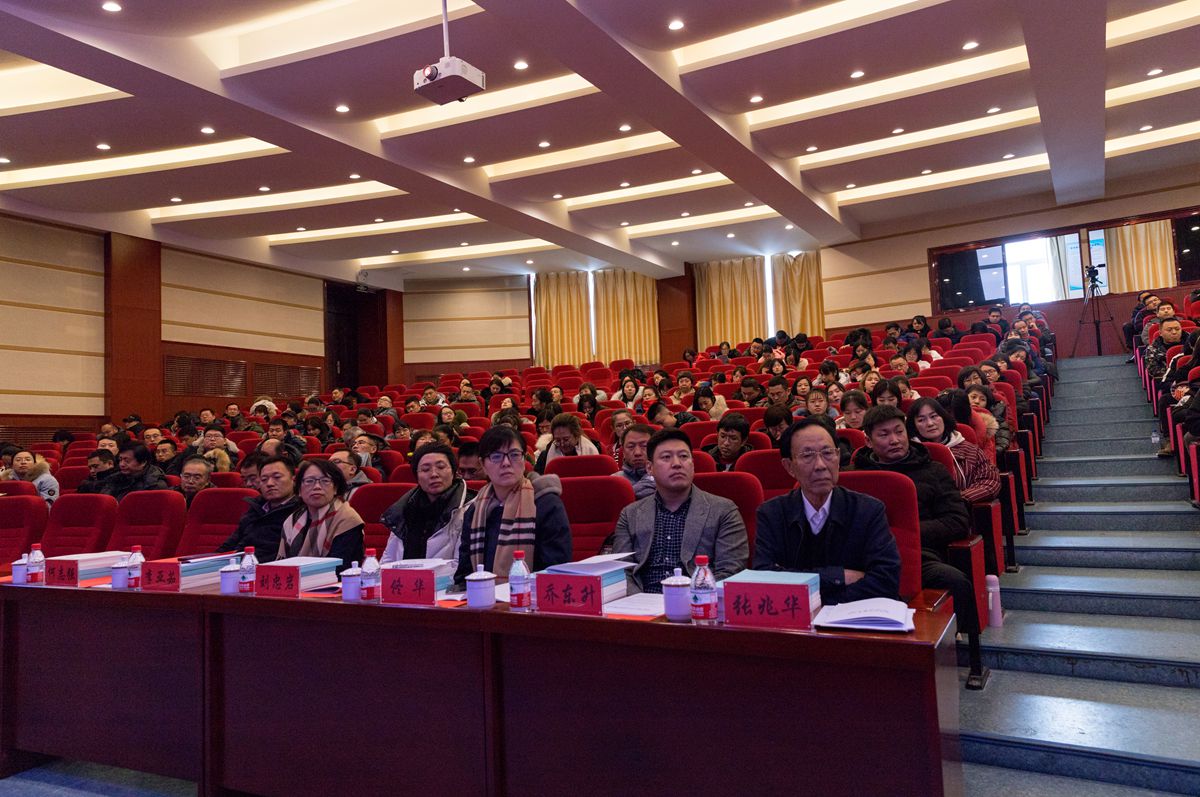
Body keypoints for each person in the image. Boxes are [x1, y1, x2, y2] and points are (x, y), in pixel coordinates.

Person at [850, 406, 977, 636]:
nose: (895, 440)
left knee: (956, 581)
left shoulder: (933, 470)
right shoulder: (853, 476)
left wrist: (909, 533)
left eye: (899, 432)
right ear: (868, 441)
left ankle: (959, 645)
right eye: (884, 434)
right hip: (864, 559)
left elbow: (957, 521)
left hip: (919, 556)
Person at [753, 416, 901, 603]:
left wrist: (813, 595)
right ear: (789, 466)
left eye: (827, 453)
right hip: (798, 618)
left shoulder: (868, 510)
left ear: (838, 457)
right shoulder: (772, 513)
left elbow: (886, 581)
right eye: (807, 455)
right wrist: (838, 577)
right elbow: (764, 578)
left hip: (853, 617)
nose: (820, 465)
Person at [611, 429, 748, 593]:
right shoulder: (630, 514)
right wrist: (638, 602)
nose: (677, 463)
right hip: (642, 603)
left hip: (700, 601)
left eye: (683, 456)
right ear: (649, 468)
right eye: (666, 457)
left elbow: (730, 572)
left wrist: (686, 602)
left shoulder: (723, 511)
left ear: (692, 464)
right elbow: (621, 571)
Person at [454, 427, 572, 583]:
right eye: (496, 456)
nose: (506, 463)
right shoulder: (475, 511)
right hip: (481, 595)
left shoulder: (546, 504)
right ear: (483, 464)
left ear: (524, 459)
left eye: (515, 455)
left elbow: (555, 570)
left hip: (532, 594)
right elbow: (464, 574)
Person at [381, 444, 476, 564]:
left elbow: (462, 564)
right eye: (426, 470)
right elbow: (389, 558)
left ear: (453, 471)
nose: (434, 474)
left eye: (441, 467)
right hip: (403, 575)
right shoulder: (405, 508)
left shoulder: (470, 508)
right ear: (417, 476)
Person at [907, 398, 1000, 502]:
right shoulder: (909, 454)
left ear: (943, 417)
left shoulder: (970, 450)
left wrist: (958, 499)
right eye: (921, 420)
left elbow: (990, 481)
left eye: (934, 416)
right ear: (913, 426)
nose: (930, 423)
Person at [280, 459, 364, 573]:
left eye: (325, 481)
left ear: (335, 488)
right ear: (299, 490)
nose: (317, 486)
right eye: (309, 481)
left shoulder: (347, 519)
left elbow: (341, 568)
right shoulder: (292, 520)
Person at [218, 456, 302, 563]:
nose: (269, 483)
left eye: (277, 477)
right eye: (264, 479)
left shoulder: (300, 511)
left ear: (293, 479)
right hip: (240, 564)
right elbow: (230, 543)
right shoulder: (256, 507)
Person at [100, 443, 168, 502]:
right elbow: (104, 501)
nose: (121, 464)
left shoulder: (154, 484)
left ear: (143, 462)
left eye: (127, 461)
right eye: (120, 460)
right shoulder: (116, 477)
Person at [534, 413, 600, 473]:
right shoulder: (545, 455)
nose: (562, 444)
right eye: (558, 440)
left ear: (576, 436)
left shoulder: (592, 451)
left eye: (566, 439)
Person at [613, 423, 656, 499]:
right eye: (631, 446)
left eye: (644, 446)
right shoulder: (614, 482)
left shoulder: (667, 477)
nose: (637, 453)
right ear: (623, 451)